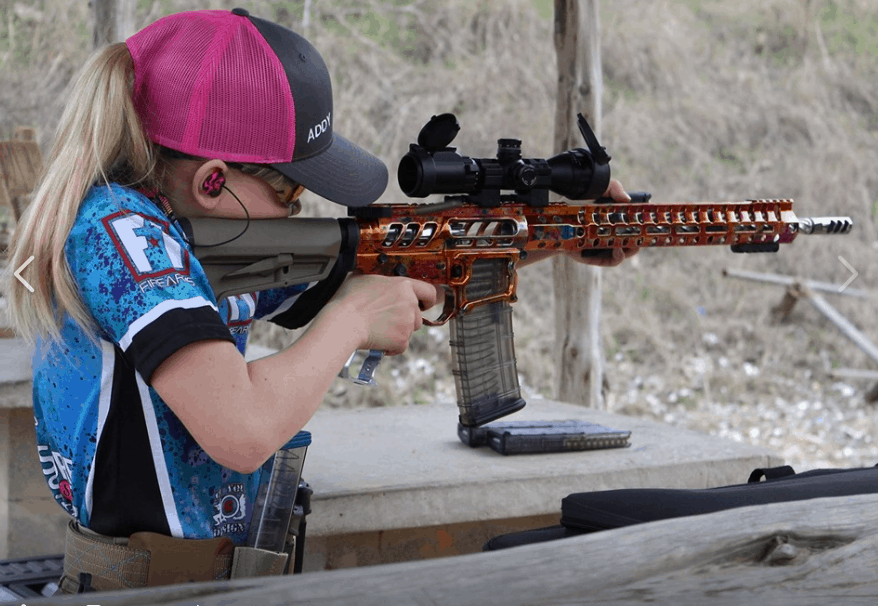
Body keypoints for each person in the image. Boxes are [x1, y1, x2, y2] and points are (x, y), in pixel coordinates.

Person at [6, 8, 635, 592]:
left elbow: (385, 263)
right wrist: (355, 317)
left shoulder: (173, 231)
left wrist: (553, 237)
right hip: (144, 590)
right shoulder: (123, 237)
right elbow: (241, 429)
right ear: (213, 180)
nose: (297, 212)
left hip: (202, 584)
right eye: (291, 194)